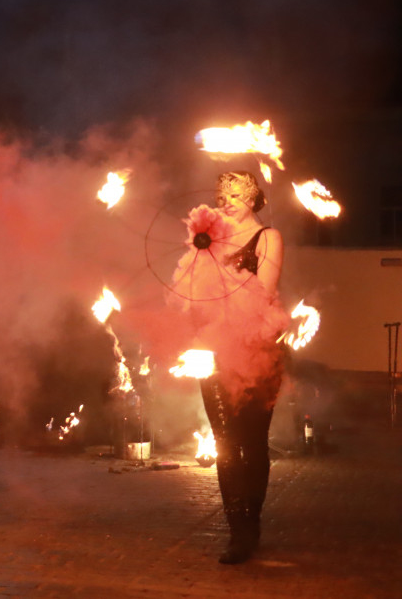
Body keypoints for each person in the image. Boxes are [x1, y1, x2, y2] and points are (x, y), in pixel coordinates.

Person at [184, 171, 289, 564]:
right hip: (215, 354)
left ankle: (252, 521)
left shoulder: (268, 238)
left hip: (255, 353)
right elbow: (192, 290)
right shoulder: (213, 238)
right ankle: (238, 531)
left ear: (253, 197)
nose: (225, 201)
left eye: (234, 194)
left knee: (251, 442)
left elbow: (263, 294)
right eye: (220, 195)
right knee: (226, 444)